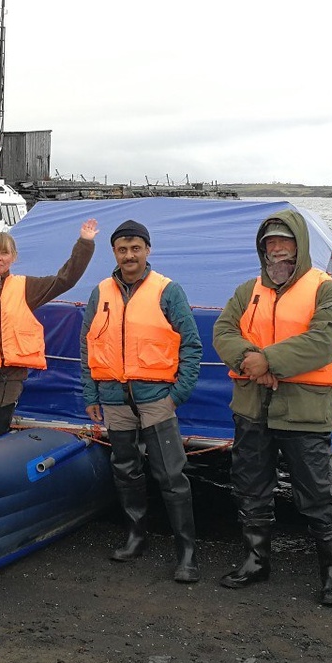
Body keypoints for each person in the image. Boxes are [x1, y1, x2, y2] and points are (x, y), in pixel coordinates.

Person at [211, 210, 332, 605]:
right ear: (262, 250)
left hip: (304, 413)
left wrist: (267, 361)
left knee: (318, 493)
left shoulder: (326, 290)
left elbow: (323, 342)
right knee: (251, 486)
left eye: (284, 242)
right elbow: (224, 331)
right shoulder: (246, 290)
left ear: (299, 246)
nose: (277, 250)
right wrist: (251, 362)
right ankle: (256, 561)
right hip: (253, 408)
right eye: (270, 244)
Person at [80, 219, 203, 583]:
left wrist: (176, 396)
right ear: (114, 253)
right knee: (126, 471)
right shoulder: (100, 291)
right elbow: (88, 344)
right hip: (114, 399)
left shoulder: (168, 290)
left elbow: (192, 345)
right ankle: (136, 536)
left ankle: (187, 551)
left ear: (147, 250)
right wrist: (91, 394)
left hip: (156, 399)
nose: (129, 255)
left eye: (136, 248)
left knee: (170, 474)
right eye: (122, 249)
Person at [0, 219, 99, 451]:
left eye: (4, 253)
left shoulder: (26, 287)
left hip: (9, 377)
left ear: (13, 258)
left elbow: (66, 279)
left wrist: (85, 243)